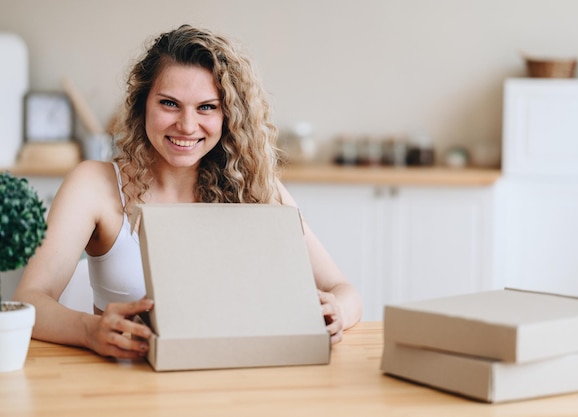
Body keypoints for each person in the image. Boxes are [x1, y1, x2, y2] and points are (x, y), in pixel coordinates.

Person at [13, 24, 362, 360]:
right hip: (126, 383)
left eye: (206, 107)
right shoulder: (94, 186)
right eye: (169, 103)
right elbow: (30, 299)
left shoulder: (255, 188)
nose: (187, 125)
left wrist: (337, 313)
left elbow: (343, 291)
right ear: (141, 104)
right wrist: (90, 331)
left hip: (232, 383)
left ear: (228, 116)